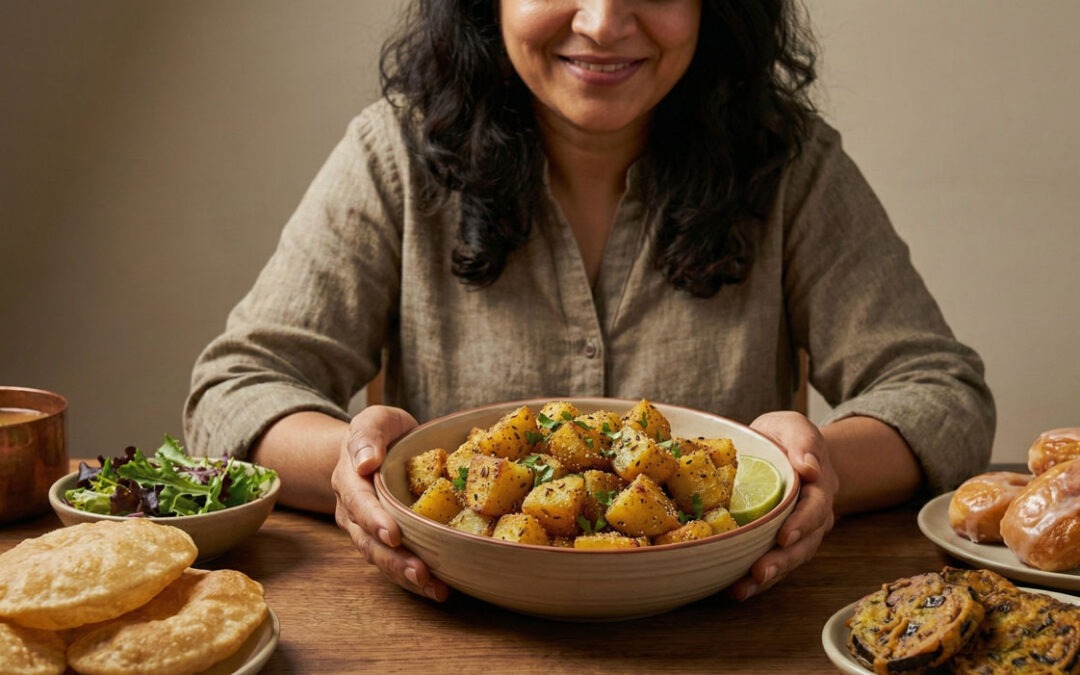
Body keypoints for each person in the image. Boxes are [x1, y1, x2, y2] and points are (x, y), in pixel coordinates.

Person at [185, 0, 995, 604]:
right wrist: (352, 462)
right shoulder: (392, 154)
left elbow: (941, 393)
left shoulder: (792, 165)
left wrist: (814, 464)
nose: (605, 23)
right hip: (448, 633)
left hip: (728, 636)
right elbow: (235, 388)